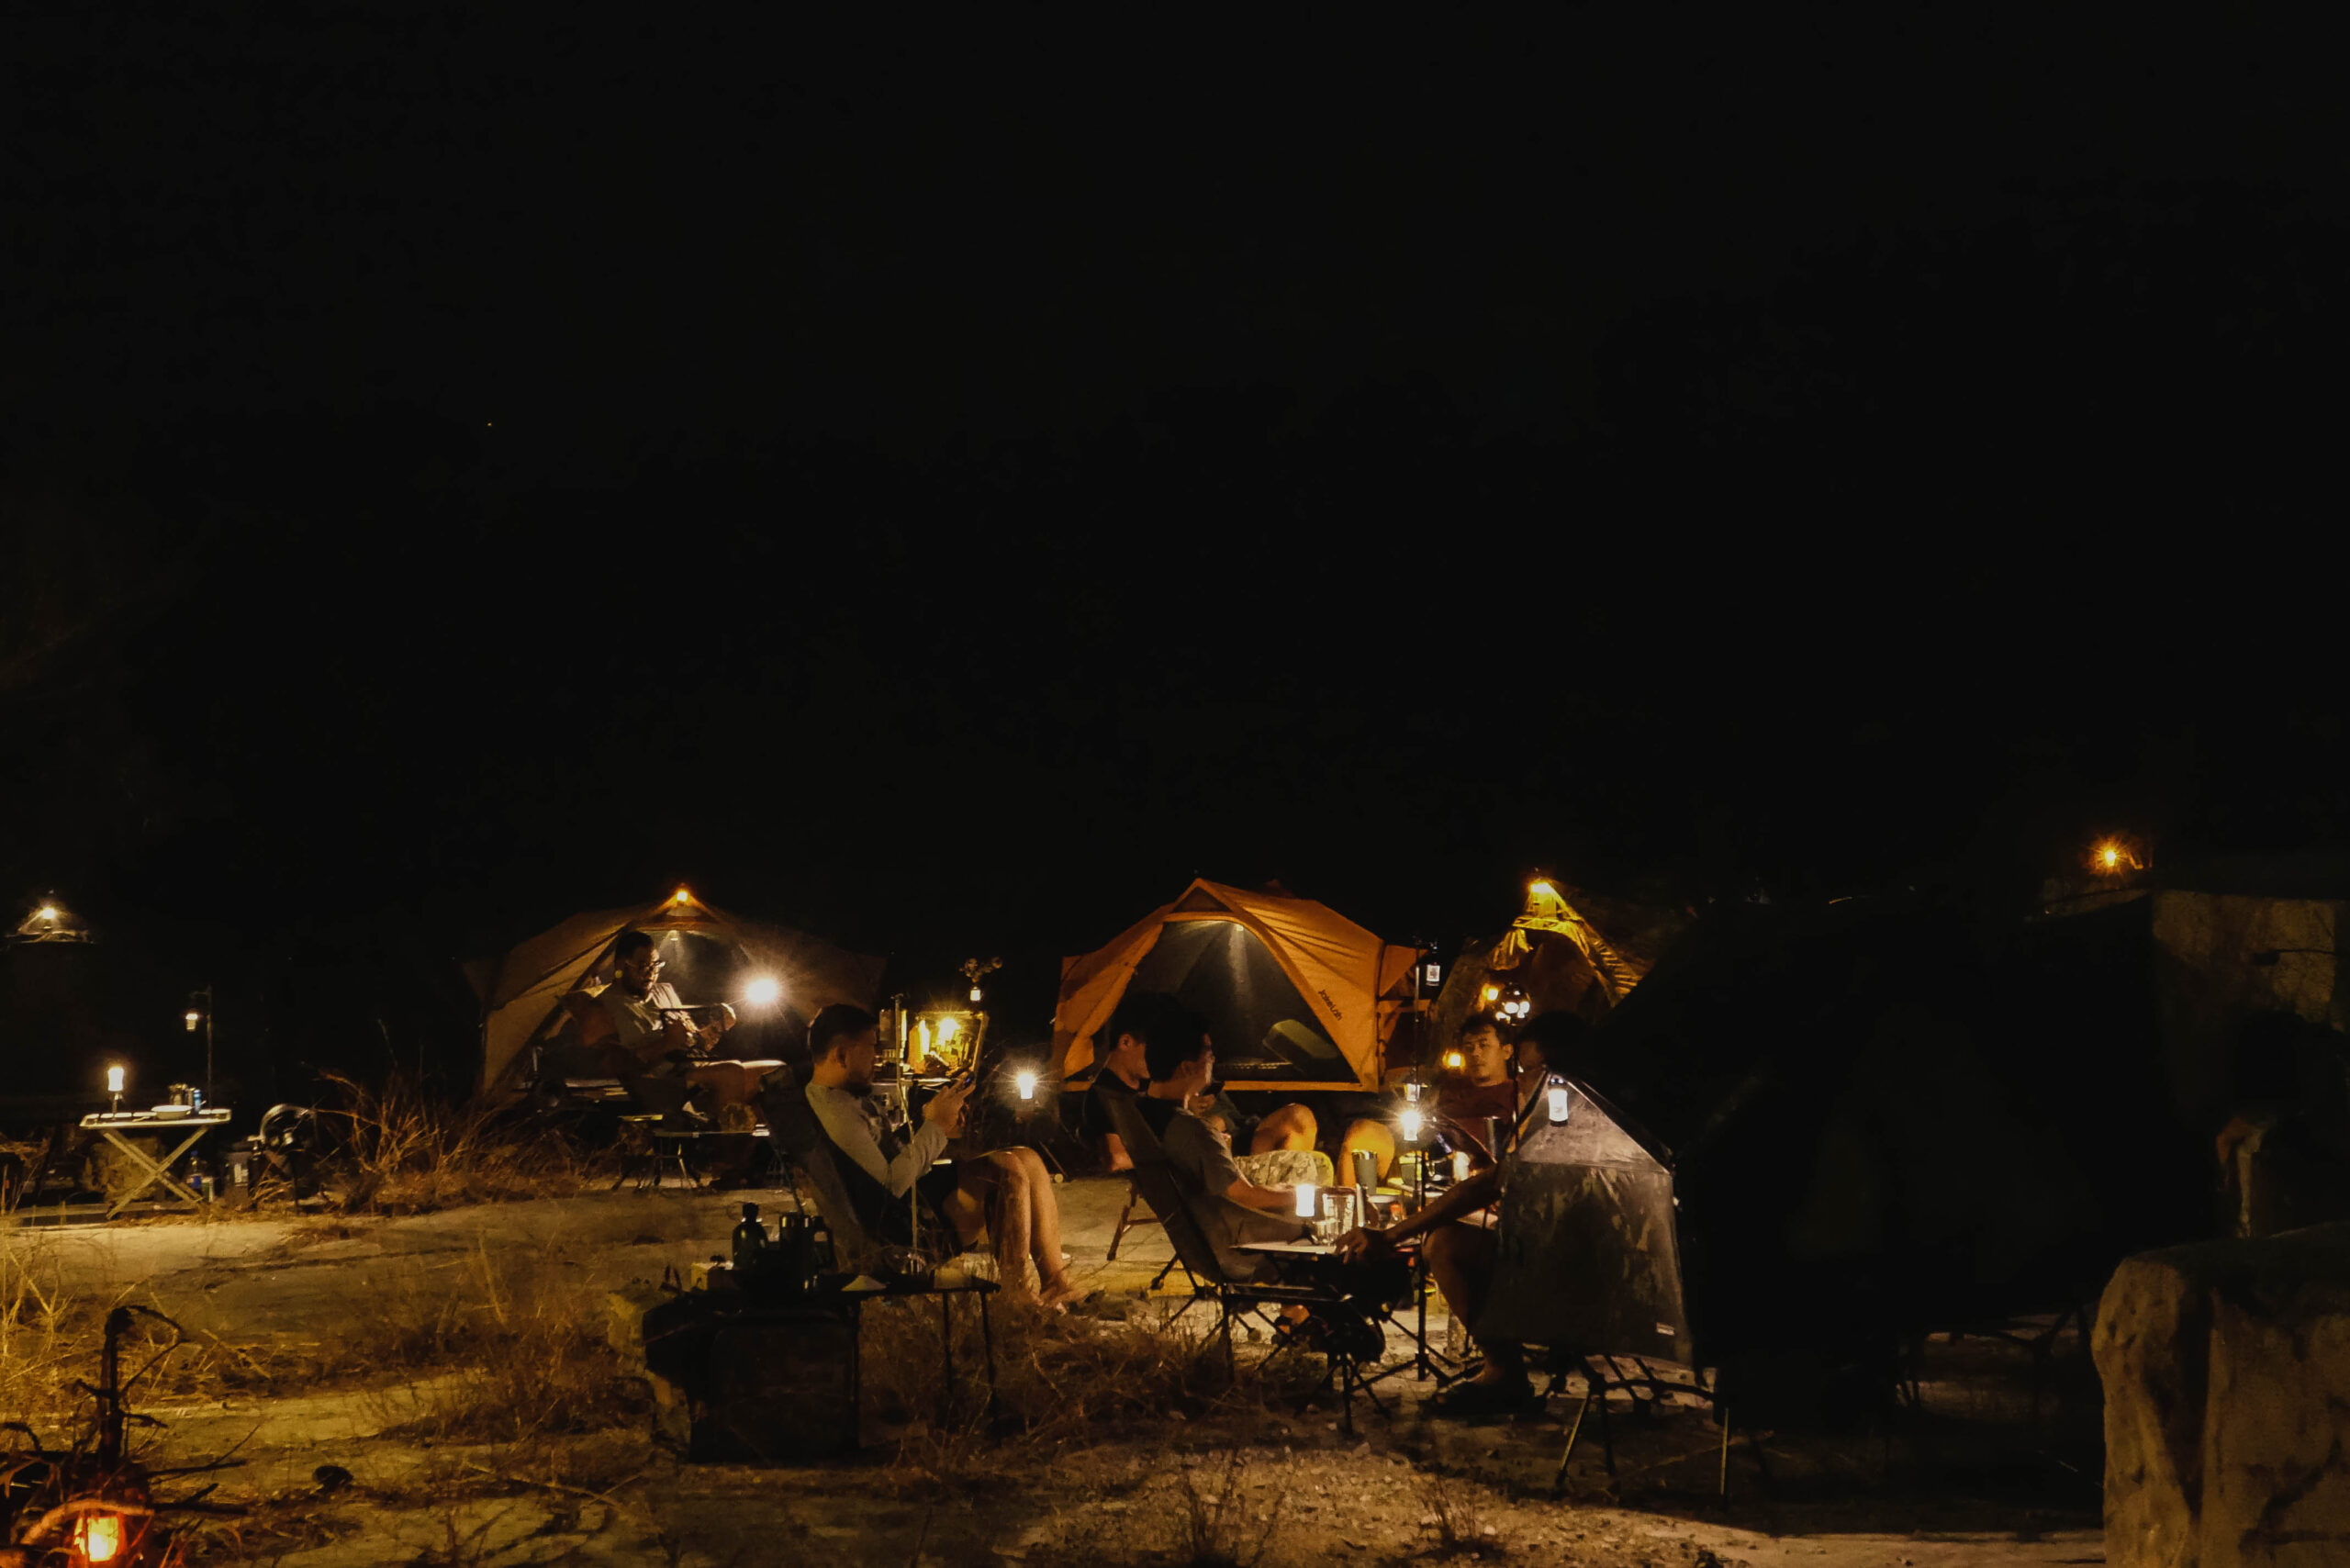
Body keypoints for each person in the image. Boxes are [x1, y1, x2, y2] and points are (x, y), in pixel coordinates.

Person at [1334, 1009, 1590, 1415]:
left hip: (1573, 1262)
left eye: (1530, 1071)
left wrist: (1393, 1235)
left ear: (1561, 1072)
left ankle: (1504, 1370)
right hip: (1554, 1246)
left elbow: (1486, 1185)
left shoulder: (1571, 1122)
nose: (1522, 1081)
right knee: (1449, 1234)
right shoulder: (1558, 1115)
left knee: (1445, 1243)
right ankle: (1502, 1367)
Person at [804, 1003, 1079, 1306]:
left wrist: (932, 1120)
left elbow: (885, 1158)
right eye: (871, 1048)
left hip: (912, 1200)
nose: (877, 1058)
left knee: (1027, 1158)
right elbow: (890, 1186)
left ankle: (1056, 1283)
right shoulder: (836, 1113)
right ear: (842, 1054)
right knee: (1006, 1169)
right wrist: (935, 1127)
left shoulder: (847, 1099)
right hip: (898, 1225)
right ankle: (1018, 1296)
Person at [1126, 1001, 1317, 1281]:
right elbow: (1244, 1195)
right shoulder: (1193, 1131)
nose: (1214, 1060)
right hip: (1239, 1248)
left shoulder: (1140, 1116)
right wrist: (1311, 1196)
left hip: (1202, 1244)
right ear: (1186, 1067)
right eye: (1209, 1053)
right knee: (1329, 1216)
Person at [1083, 991, 1326, 1187]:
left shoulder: (1142, 1085)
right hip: (1207, 1167)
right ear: (1125, 1042)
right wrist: (1191, 1145)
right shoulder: (1106, 1096)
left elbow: (1177, 1116)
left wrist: (1194, 1113)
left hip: (1216, 1148)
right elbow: (1115, 1159)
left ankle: (1278, 1209)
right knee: (1305, 1165)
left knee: (1303, 1131)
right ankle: (1277, 1210)